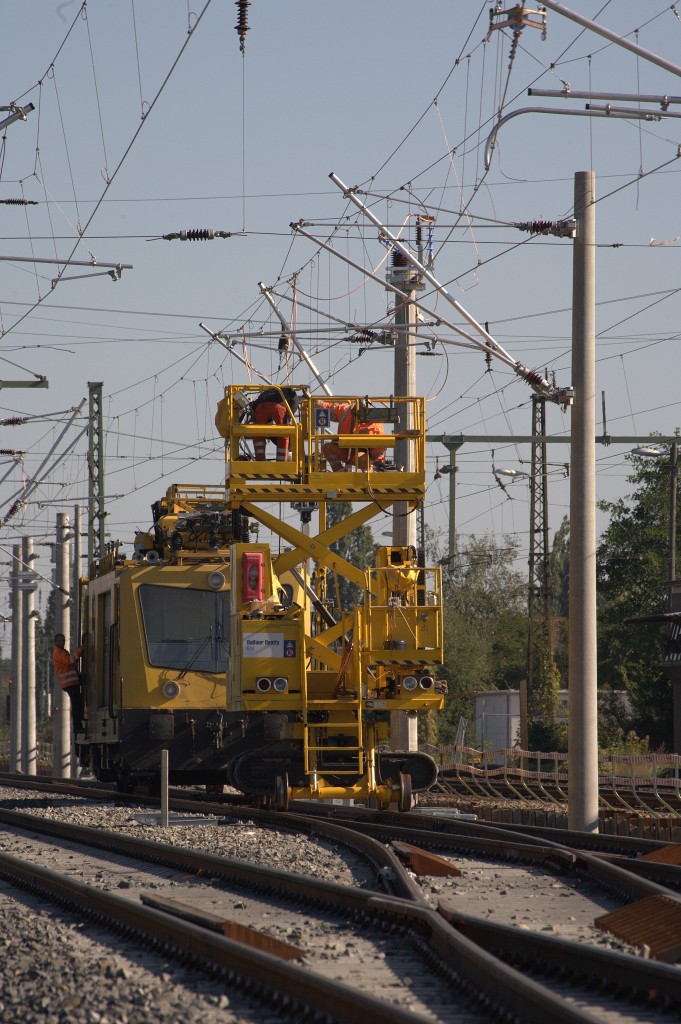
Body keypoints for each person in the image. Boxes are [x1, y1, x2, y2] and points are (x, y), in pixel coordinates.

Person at [321, 401, 386, 471]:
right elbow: (330, 409)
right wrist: (317, 403)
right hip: (345, 450)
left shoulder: (375, 423)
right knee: (327, 448)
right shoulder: (346, 411)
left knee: (361, 458)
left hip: (362, 454)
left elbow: (378, 446)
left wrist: (378, 461)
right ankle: (340, 473)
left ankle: (368, 474)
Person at [250, 387, 300, 462]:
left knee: (258, 434)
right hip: (278, 407)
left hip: (260, 407)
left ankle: (260, 460)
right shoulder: (290, 391)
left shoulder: (267, 391)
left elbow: (253, 408)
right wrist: (290, 415)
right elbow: (295, 402)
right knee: (283, 433)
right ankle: (281, 461)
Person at [53, 633, 84, 735]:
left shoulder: (62, 651)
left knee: (78, 702)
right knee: (76, 704)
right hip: (69, 683)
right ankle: (77, 726)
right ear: (56, 642)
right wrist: (80, 650)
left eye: (63, 640)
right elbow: (69, 660)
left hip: (72, 682)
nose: (62, 642)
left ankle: (79, 723)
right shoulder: (58, 652)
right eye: (60, 641)